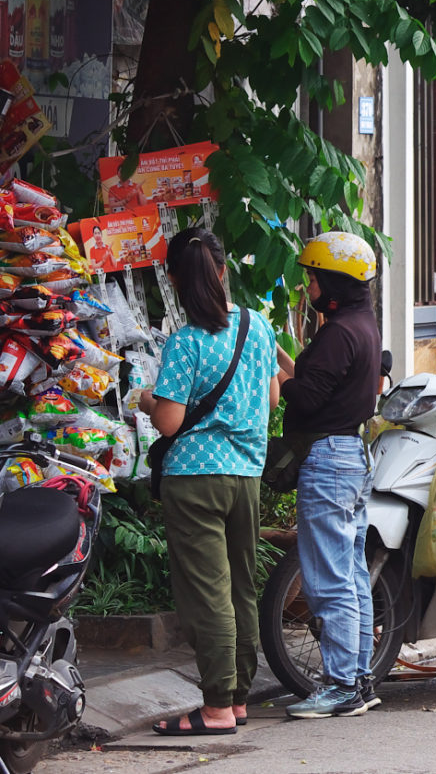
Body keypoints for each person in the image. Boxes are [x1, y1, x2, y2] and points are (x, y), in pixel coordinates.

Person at [140, 228, 279, 736]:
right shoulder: (257, 326)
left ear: (175, 281)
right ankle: (237, 698)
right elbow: (272, 399)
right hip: (246, 475)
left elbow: (169, 422)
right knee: (241, 586)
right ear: (222, 271)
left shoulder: (186, 342)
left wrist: (146, 400)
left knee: (208, 593)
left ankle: (216, 707)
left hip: (194, 478)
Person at [276, 231, 382, 719]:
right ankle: (359, 680)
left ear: (335, 281)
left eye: (314, 278)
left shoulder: (339, 332)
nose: (309, 287)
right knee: (352, 575)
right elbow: (317, 379)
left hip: (329, 461)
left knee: (329, 580)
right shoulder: (361, 324)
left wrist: (276, 379)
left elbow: (307, 397)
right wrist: (282, 360)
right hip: (351, 456)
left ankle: (341, 686)